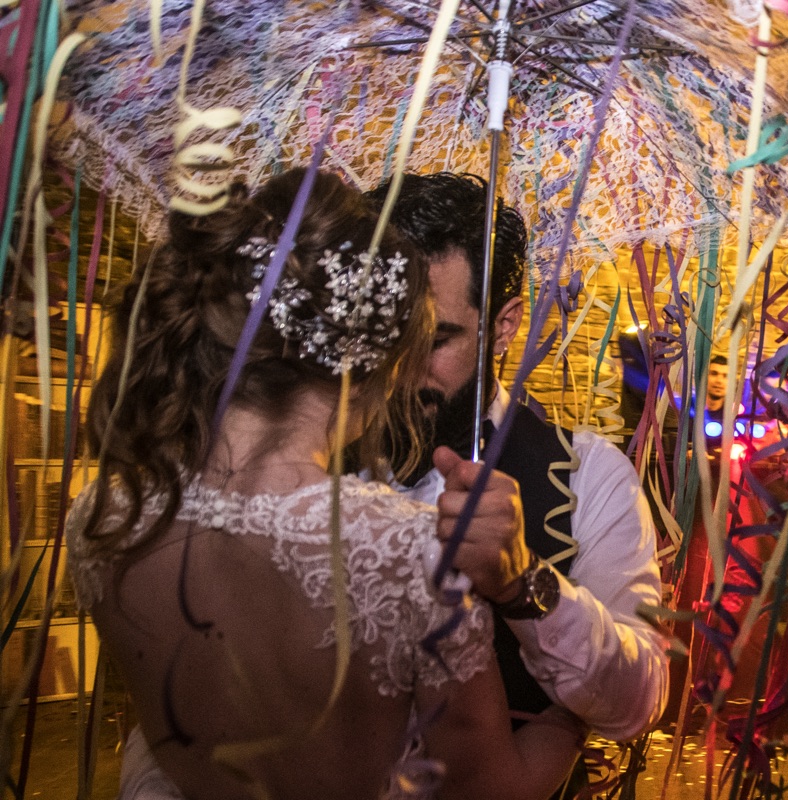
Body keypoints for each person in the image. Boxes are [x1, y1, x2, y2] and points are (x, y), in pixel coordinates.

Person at [66, 169, 582, 800]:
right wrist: (572, 720)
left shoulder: (107, 516)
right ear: (369, 369)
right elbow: (486, 792)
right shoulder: (405, 552)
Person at [367, 173, 669, 765]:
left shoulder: (586, 475)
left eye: (434, 337)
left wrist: (523, 583)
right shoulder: (309, 465)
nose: (400, 368)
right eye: (383, 333)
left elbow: (637, 704)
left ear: (502, 326)